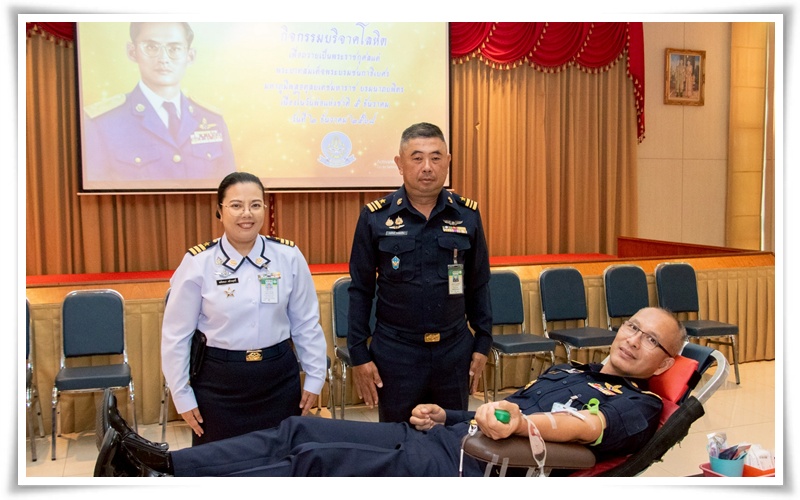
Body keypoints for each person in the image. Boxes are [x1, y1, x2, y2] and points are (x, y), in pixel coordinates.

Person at [96, 307, 687, 477]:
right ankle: (166, 465)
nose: (633, 340)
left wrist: (522, 426)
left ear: (665, 361)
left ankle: (161, 475)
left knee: (311, 456)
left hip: (471, 465)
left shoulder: (638, 405)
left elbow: (579, 429)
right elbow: (499, 409)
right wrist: (448, 412)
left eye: (651, 341)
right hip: (444, 439)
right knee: (295, 431)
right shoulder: (569, 371)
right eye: (632, 327)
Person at [160, 171, 327, 445]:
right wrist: (181, 393)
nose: (246, 214)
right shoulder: (199, 262)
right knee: (219, 463)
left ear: (265, 209)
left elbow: (306, 323)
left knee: (278, 461)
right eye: (236, 205)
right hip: (217, 386)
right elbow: (176, 335)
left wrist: (315, 375)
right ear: (220, 211)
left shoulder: (288, 256)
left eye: (255, 205)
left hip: (278, 381)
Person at [347, 122, 492, 423]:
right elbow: (360, 289)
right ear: (399, 164)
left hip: (454, 352)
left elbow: (479, 283)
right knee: (397, 439)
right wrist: (359, 354)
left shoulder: (467, 215)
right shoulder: (375, 217)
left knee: (452, 435)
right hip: (396, 354)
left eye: (436, 157)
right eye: (417, 158)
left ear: (447, 162)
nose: (427, 167)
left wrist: (482, 343)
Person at [82, 22, 236, 188]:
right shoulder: (102, 124)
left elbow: (230, 190)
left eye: (174, 49)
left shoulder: (212, 120)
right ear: (132, 52)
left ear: (190, 56)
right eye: (151, 47)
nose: (163, 59)